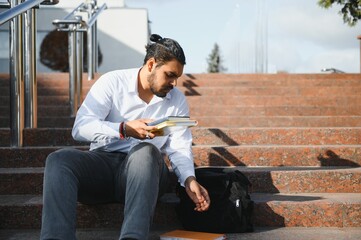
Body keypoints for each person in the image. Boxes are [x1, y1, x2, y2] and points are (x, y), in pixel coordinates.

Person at [40, 34, 210, 240]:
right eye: (170, 75)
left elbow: (179, 146)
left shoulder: (177, 100)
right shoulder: (113, 82)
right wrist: (123, 129)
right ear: (151, 64)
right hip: (103, 167)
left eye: (177, 77)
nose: (174, 83)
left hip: (146, 174)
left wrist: (189, 179)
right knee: (59, 160)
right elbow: (80, 127)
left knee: (145, 152)